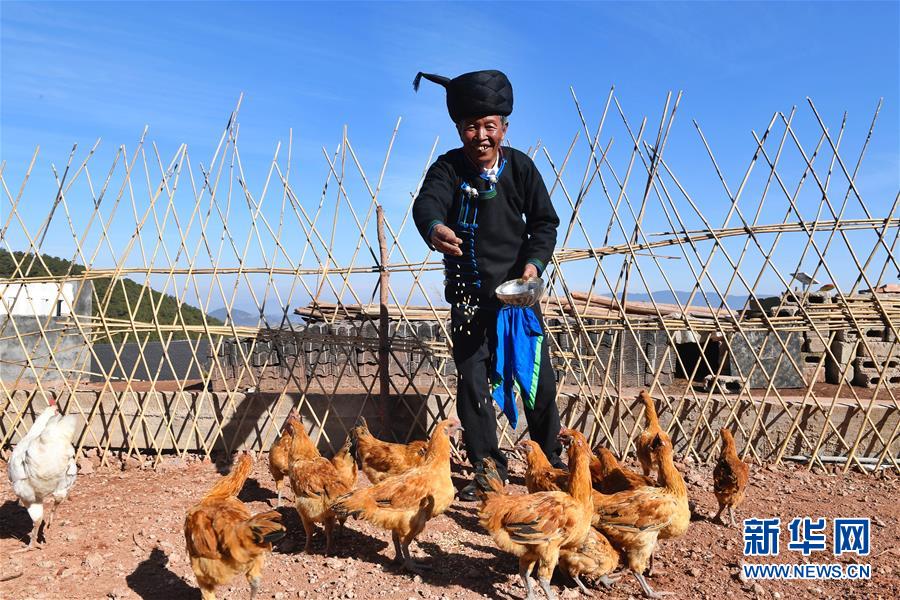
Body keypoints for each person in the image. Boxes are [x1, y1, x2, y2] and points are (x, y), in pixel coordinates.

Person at [412, 69, 563, 501]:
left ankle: (549, 466)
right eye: (471, 127)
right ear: (459, 129)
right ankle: (487, 470)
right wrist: (435, 228)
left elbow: (544, 223)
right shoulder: (448, 168)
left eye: (489, 126)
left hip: (518, 298)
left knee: (537, 382)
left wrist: (533, 265)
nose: (480, 136)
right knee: (473, 384)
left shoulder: (521, 168)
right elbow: (427, 204)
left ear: (504, 128)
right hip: (470, 299)